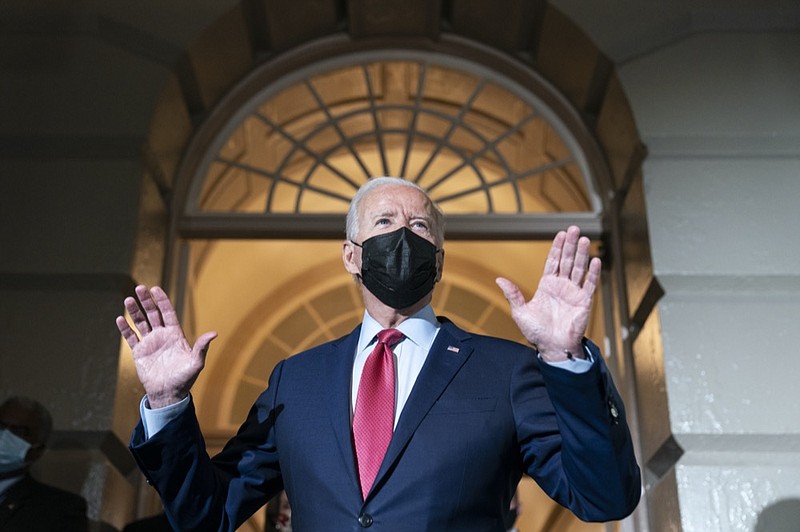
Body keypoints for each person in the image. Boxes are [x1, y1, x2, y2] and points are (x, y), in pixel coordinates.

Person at [117, 176, 641, 531]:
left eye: (419, 228)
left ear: (437, 263)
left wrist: (565, 360)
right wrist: (166, 404)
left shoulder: (506, 371)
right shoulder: (295, 380)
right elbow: (208, 515)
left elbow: (604, 498)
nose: (403, 236)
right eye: (385, 222)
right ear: (351, 255)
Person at [0, 396, 89, 532]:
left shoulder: (61, 509)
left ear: (38, 450)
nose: (4, 436)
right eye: (1, 426)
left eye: (18, 431)